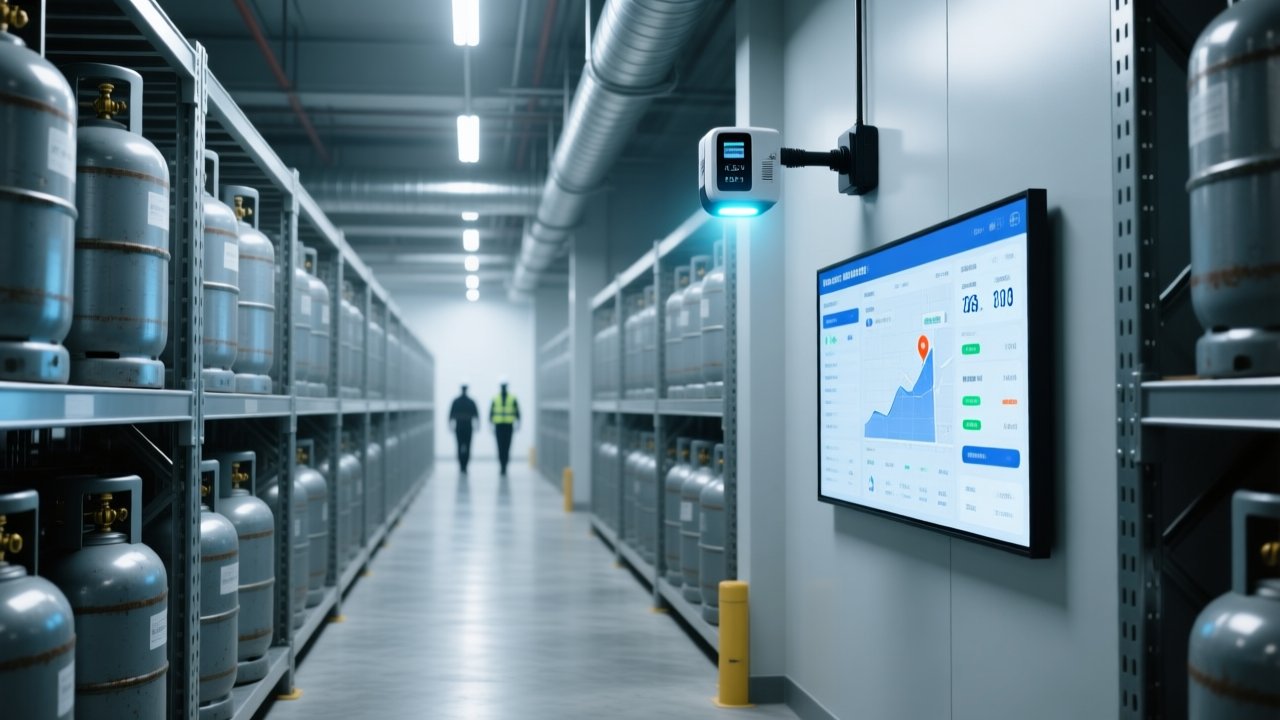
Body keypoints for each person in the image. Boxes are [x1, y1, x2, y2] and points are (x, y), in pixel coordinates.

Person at [489, 378, 521, 475]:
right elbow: (491, 413)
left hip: (508, 426)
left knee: (507, 446)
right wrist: (490, 424)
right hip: (498, 426)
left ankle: (505, 466)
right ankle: (502, 465)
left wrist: (518, 423)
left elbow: (517, 412)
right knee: (500, 447)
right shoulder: (495, 398)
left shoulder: (513, 398)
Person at [448, 383, 479, 473]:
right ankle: (463, 465)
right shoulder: (470, 401)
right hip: (466, 427)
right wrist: (477, 425)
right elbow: (476, 415)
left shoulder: (457, 401)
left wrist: (450, 424)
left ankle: (463, 465)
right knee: (466, 446)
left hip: (461, 427)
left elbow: (451, 415)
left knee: (461, 445)